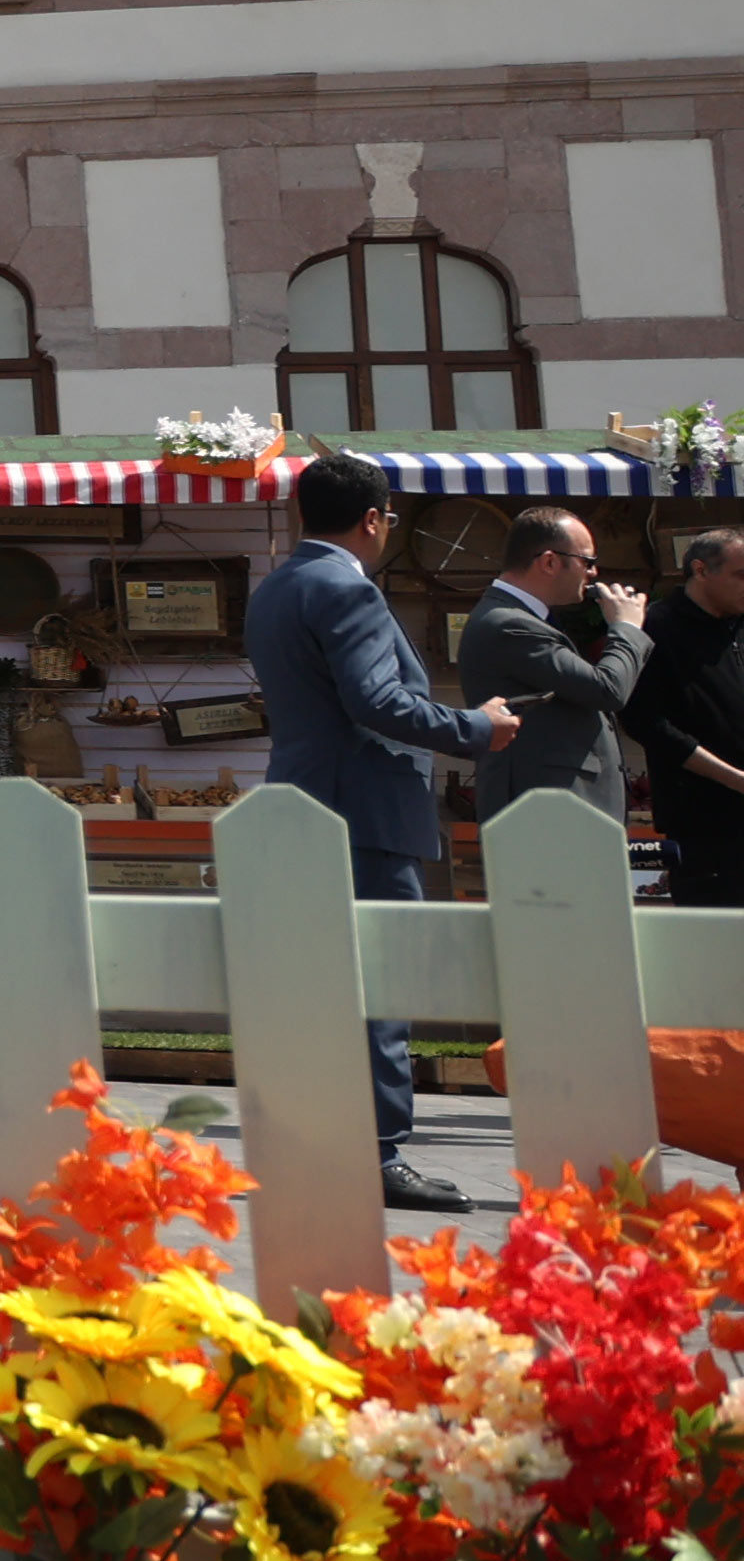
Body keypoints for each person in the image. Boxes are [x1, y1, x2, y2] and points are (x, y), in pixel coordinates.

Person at [247, 450, 517, 1215]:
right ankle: (378, 1155)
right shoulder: (347, 589)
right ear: (374, 520)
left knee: (322, 986)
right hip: (366, 810)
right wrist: (476, 726)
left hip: (304, 803)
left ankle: (321, 1142)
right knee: (379, 985)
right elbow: (377, 703)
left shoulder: (277, 589)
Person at [457, 505, 644, 825]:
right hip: (546, 811)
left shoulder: (521, 619)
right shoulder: (509, 623)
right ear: (549, 561)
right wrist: (627, 628)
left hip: (559, 808)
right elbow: (608, 690)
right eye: (588, 562)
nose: (594, 574)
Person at [625, 529, 744, 904]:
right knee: (716, 945)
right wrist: (735, 779)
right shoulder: (656, 629)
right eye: (741, 575)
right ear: (701, 570)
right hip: (706, 824)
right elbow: (647, 723)